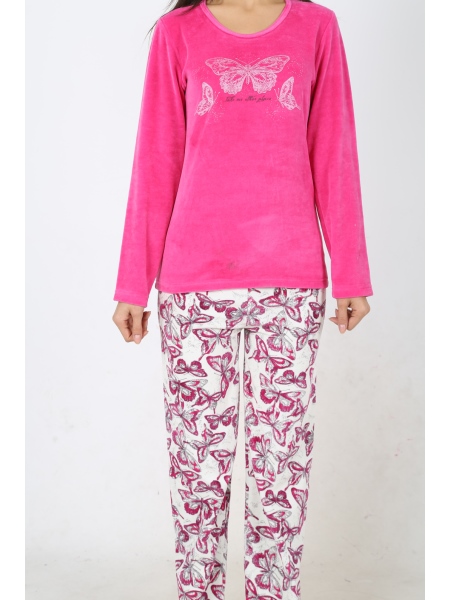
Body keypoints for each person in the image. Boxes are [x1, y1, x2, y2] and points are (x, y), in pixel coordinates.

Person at [112, 1, 373, 598]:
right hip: (194, 285)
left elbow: (334, 150)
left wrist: (351, 273)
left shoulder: (317, 27)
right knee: (197, 469)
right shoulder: (178, 32)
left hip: (291, 284)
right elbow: (156, 158)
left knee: (280, 470)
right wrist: (132, 282)